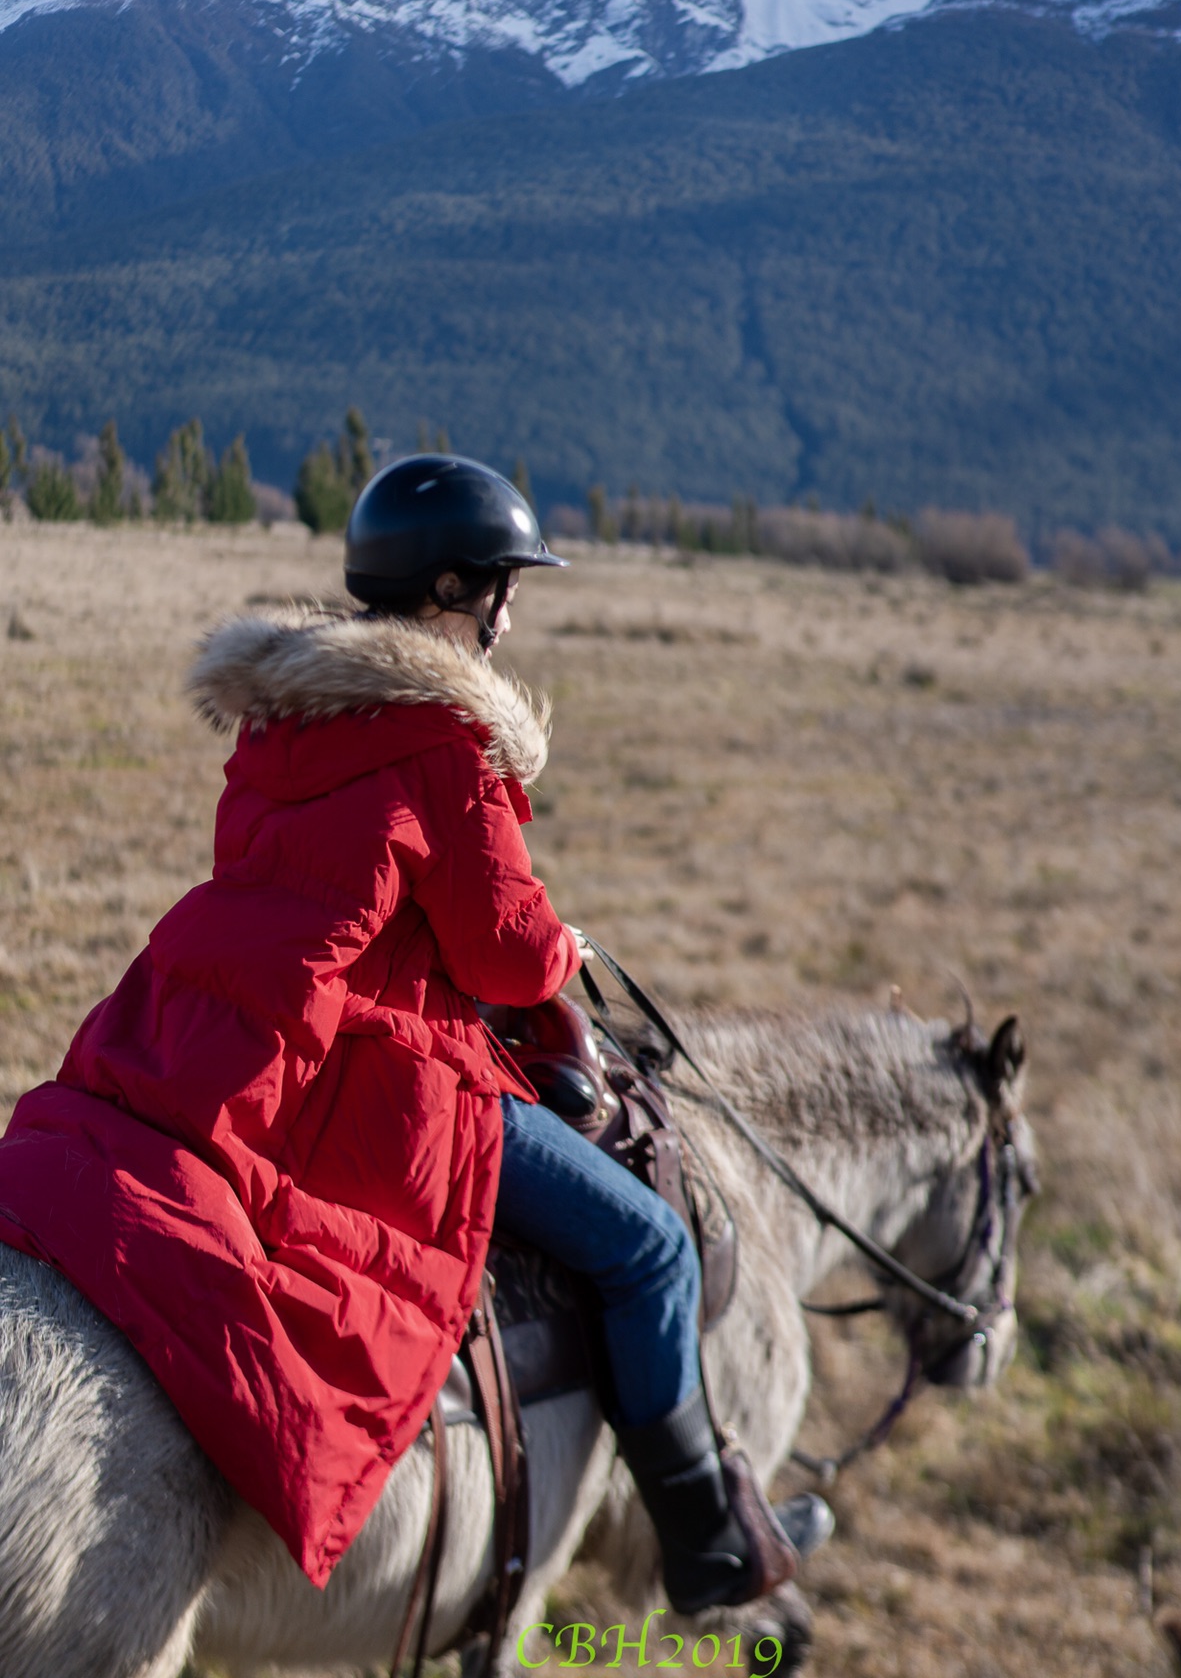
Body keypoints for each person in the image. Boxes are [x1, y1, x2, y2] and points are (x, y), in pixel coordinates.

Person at [0, 454, 825, 1610]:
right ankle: (708, 1544)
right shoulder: (443, 742)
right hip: (373, 1062)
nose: (509, 607)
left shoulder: (283, 720)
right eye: (503, 584)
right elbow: (499, 949)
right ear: (452, 591)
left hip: (209, 1016)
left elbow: (323, 884)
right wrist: (564, 949)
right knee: (649, 1247)